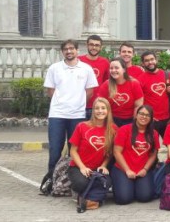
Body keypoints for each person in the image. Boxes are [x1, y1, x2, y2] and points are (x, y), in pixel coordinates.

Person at [44, 39, 99, 176]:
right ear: (62, 52)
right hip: (57, 115)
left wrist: (77, 103)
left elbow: (90, 91)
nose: (69, 51)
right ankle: (52, 179)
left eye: (71, 48)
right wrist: (61, 103)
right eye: (66, 49)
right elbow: (50, 90)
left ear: (77, 50)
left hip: (77, 116)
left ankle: (71, 181)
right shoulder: (54, 68)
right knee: (55, 149)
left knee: (75, 150)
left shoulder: (86, 69)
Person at [67, 97, 117, 202]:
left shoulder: (113, 129)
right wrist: (82, 167)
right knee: (82, 183)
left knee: (107, 182)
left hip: (97, 169)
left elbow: (111, 153)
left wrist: (104, 165)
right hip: (78, 167)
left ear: (108, 111)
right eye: (97, 108)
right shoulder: (82, 126)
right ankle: (83, 193)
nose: (100, 111)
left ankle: (87, 197)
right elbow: (73, 151)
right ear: (93, 110)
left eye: (103, 108)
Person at [111, 104, 159, 204]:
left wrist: (145, 169)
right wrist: (127, 170)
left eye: (147, 115)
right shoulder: (124, 129)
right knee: (124, 199)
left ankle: (134, 186)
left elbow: (153, 154)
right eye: (141, 114)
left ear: (151, 118)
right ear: (136, 115)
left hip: (142, 170)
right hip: (123, 169)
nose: (144, 117)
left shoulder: (154, 133)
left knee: (145, 197)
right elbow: (117, 152)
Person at [138, 51, 170, 138]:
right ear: (143, 63)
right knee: (151, 146)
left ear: (156, 60)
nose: (150, 62)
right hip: (151, 119)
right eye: (147, 60)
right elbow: (139, 100)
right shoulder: (140, 79)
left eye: (152, 59)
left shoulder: (167, 75)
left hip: (168, 118)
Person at [96, 57, 144, 127]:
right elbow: (100, 103)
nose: (113, 70)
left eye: (116, 68)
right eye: (111, 68)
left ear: (124, 69)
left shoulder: (134, 83)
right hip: (112, 119)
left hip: (130, 120)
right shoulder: (106, 84)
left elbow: (138, 106)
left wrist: (135, 123)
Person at [79, 35, 110, 120]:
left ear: (101, 47)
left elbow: (107, 83)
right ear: (87, 45)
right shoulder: (79, 61)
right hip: (79, 106)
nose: (94, 47)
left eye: (97, 45)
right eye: (91, 44)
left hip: (97, 106)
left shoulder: (105, 62)